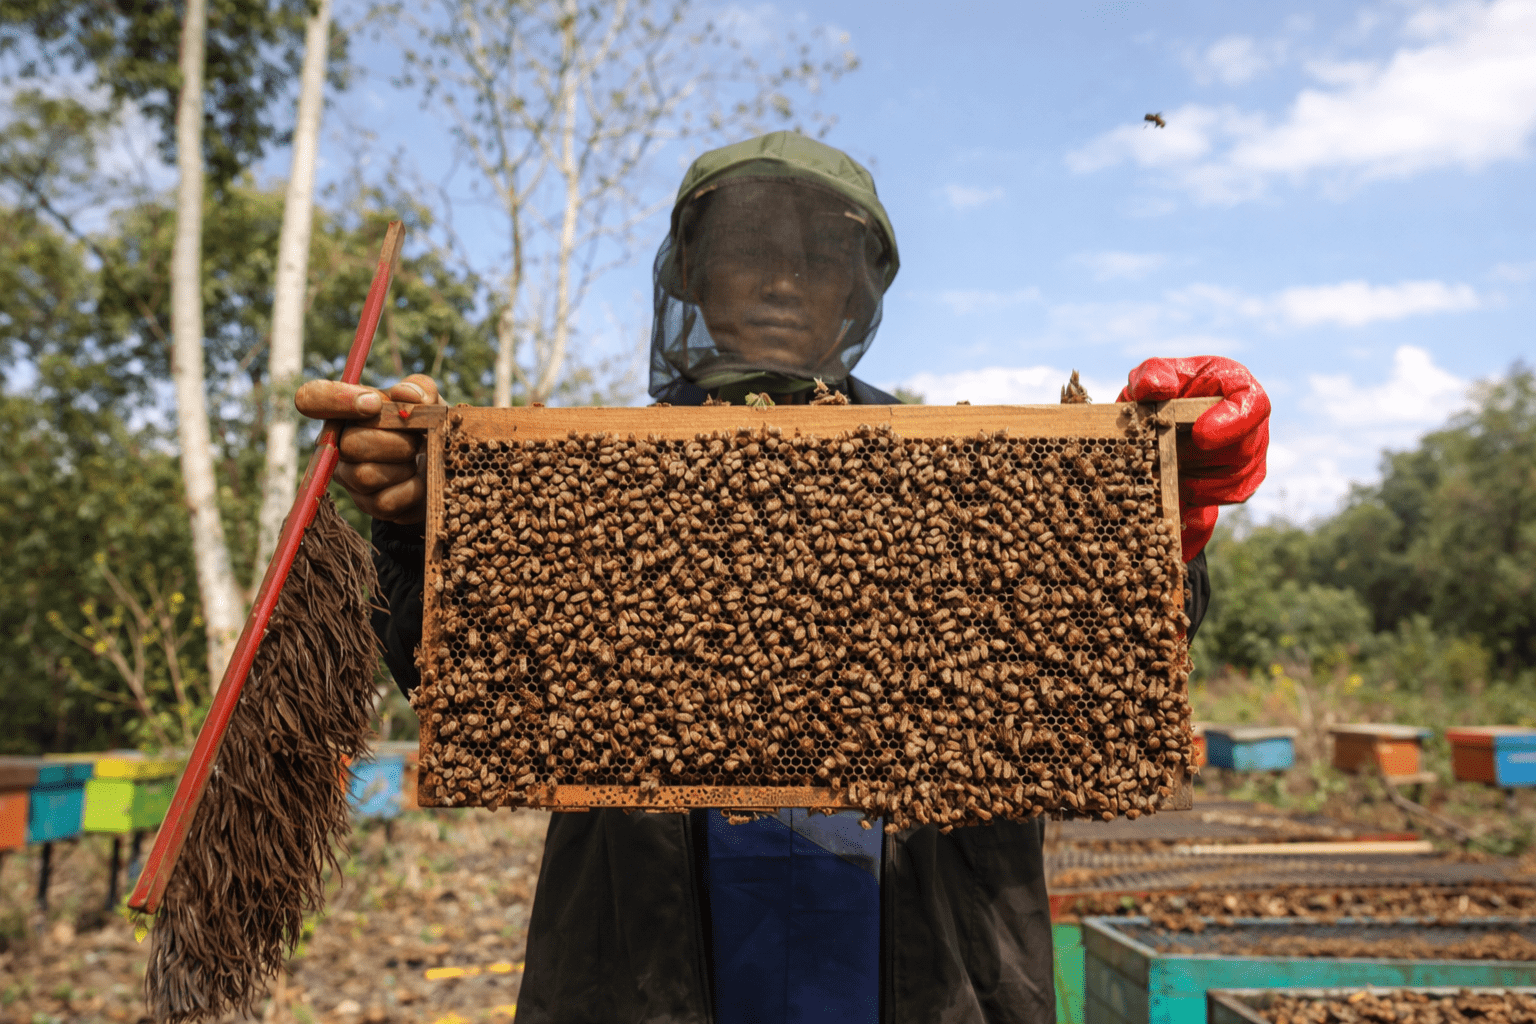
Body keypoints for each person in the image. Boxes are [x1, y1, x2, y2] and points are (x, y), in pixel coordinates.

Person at [296, 130, 1269, 1024]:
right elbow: (469, 684)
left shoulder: (954, 472)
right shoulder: (586, 476)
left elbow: (1102, 662)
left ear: (855, 290)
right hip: (653, 960)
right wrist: (425, 528)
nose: (780, 280)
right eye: (750, 250)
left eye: (815, 257)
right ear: (695, 273)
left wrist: (1166, 526)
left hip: (927, 954)